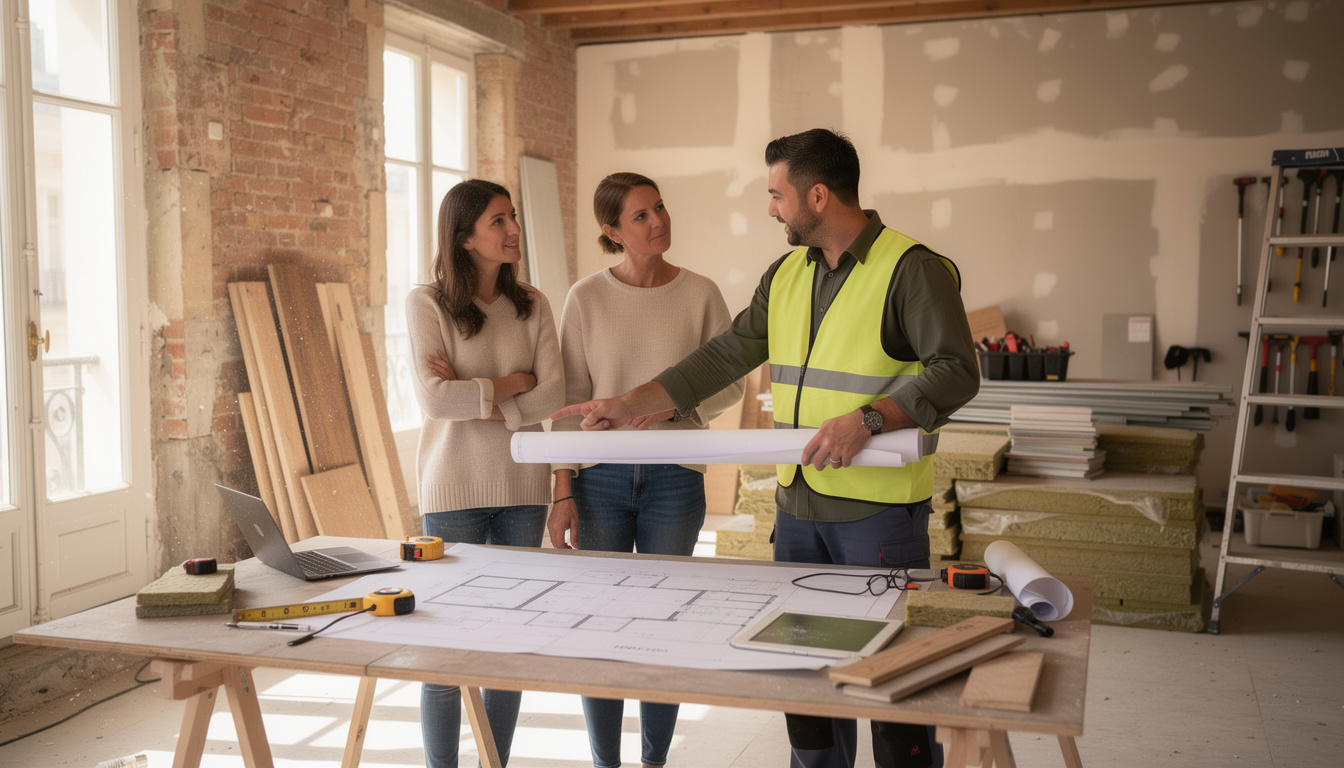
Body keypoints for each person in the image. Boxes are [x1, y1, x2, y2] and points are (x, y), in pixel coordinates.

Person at [552, 129, 980, 768]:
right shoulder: (786, 274)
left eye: (777, 195)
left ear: (817, 194)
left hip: (878, 514)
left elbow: (957, 371)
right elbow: (724, 357)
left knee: (888, 678)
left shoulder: (910, 269)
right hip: (799, 508)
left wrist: (869, 417)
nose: (771, 209)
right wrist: (628, 403)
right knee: (804, 679)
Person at [548, 172, 745, 768]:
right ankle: (606, 760)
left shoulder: (702, 293)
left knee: (668, 624)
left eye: (659, 208)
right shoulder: (585, 298)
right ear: (612, 231)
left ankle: (654, 760)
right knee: (601, 626)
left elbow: (730, 381)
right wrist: (562, 489)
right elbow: (568, 403)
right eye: (640, 216)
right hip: (599, 479)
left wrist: (672, 403)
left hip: (676, 477)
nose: (658, 221)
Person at [407, 178, 566, 768]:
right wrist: (508, 386)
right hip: (452, 490)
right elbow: (433, 401)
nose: (513, 230)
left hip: (523, 489)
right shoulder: (426, 304)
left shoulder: (535, 305)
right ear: (464, 237)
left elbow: (554, 393)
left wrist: (474, 390)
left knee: (507, 646)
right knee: (444, 646)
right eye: (498, 221)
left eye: (514, 217)